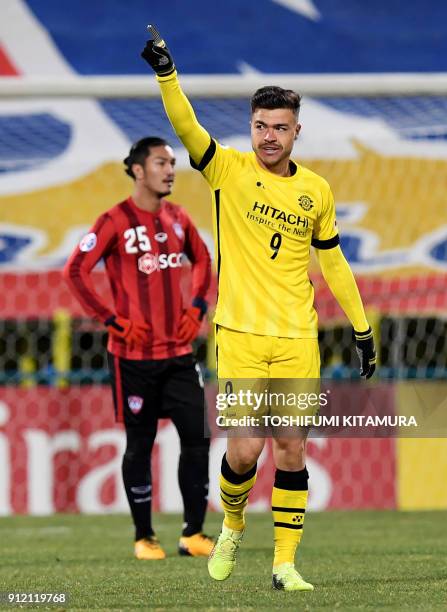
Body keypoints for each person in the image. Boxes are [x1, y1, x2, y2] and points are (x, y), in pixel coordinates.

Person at [141, 29, 376, 591]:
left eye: (280, 128)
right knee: (244, 451)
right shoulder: (226, 170)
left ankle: (285, 564)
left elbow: (335, 264)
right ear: (251, 128)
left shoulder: (316, 191)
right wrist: (167, 74)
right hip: (241, 333)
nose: (269, 137)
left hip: (297, 335)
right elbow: (185, 127)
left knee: (292, 448)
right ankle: (232, 525)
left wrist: (362, 329)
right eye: (261, 127)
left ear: (297, 131)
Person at [63, 136, 214, 560]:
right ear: (138, 170)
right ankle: (144, 537)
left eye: (172, 163)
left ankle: (193, 533)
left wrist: (198, 306)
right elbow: (75, 271)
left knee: (197, 439)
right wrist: (110, 320)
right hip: (132, 360)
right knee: (139, 444)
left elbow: (203, 261)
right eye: (161, 162)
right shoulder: (113, 221)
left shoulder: (180, 219)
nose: (170, 170)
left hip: (179, 355)